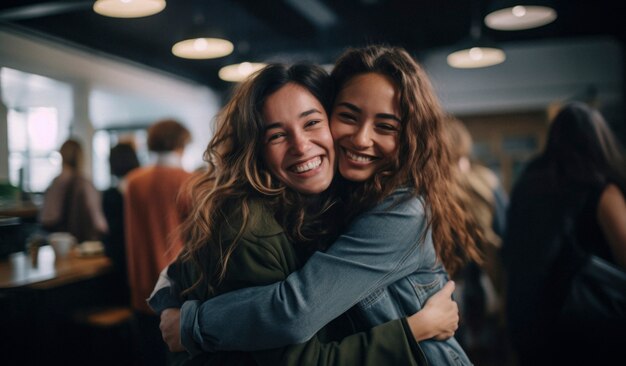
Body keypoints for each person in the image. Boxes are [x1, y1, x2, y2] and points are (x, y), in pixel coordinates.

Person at [154, 46, 483, 364]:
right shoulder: (330, 200)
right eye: (349, 116)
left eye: (384, 126)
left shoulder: (399, 211)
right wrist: (169, 294)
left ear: (410, 136)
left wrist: (191, 324)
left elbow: (296, 310)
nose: (360, 138)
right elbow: (188, 266)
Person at [502, 101, 626, 365]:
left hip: (530, 326)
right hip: (590, 330)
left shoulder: (527, 186)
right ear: (600, 141)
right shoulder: (601, 190)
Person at [125, 119, 193, 366]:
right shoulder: (191, 181)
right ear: (181, 144)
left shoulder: (133, 182)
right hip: (178, 290)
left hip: (141, 286)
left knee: (148, 356)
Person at [443, 117, 509, 364]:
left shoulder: (424, 187)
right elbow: (505, 234)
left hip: (447, 286)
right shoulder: (485, 182)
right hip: (486, 280)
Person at [40, 138, 108, 243]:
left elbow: (45, 218)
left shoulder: (54, 183)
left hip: (56, 242)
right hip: (81, 243)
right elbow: (99, 223)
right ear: (80, 157)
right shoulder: (84, 184)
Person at [102, 142, 140, 297]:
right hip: (142, 260)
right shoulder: (142, 189)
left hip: (119, 260)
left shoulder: (111, 195)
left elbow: (109, 231)